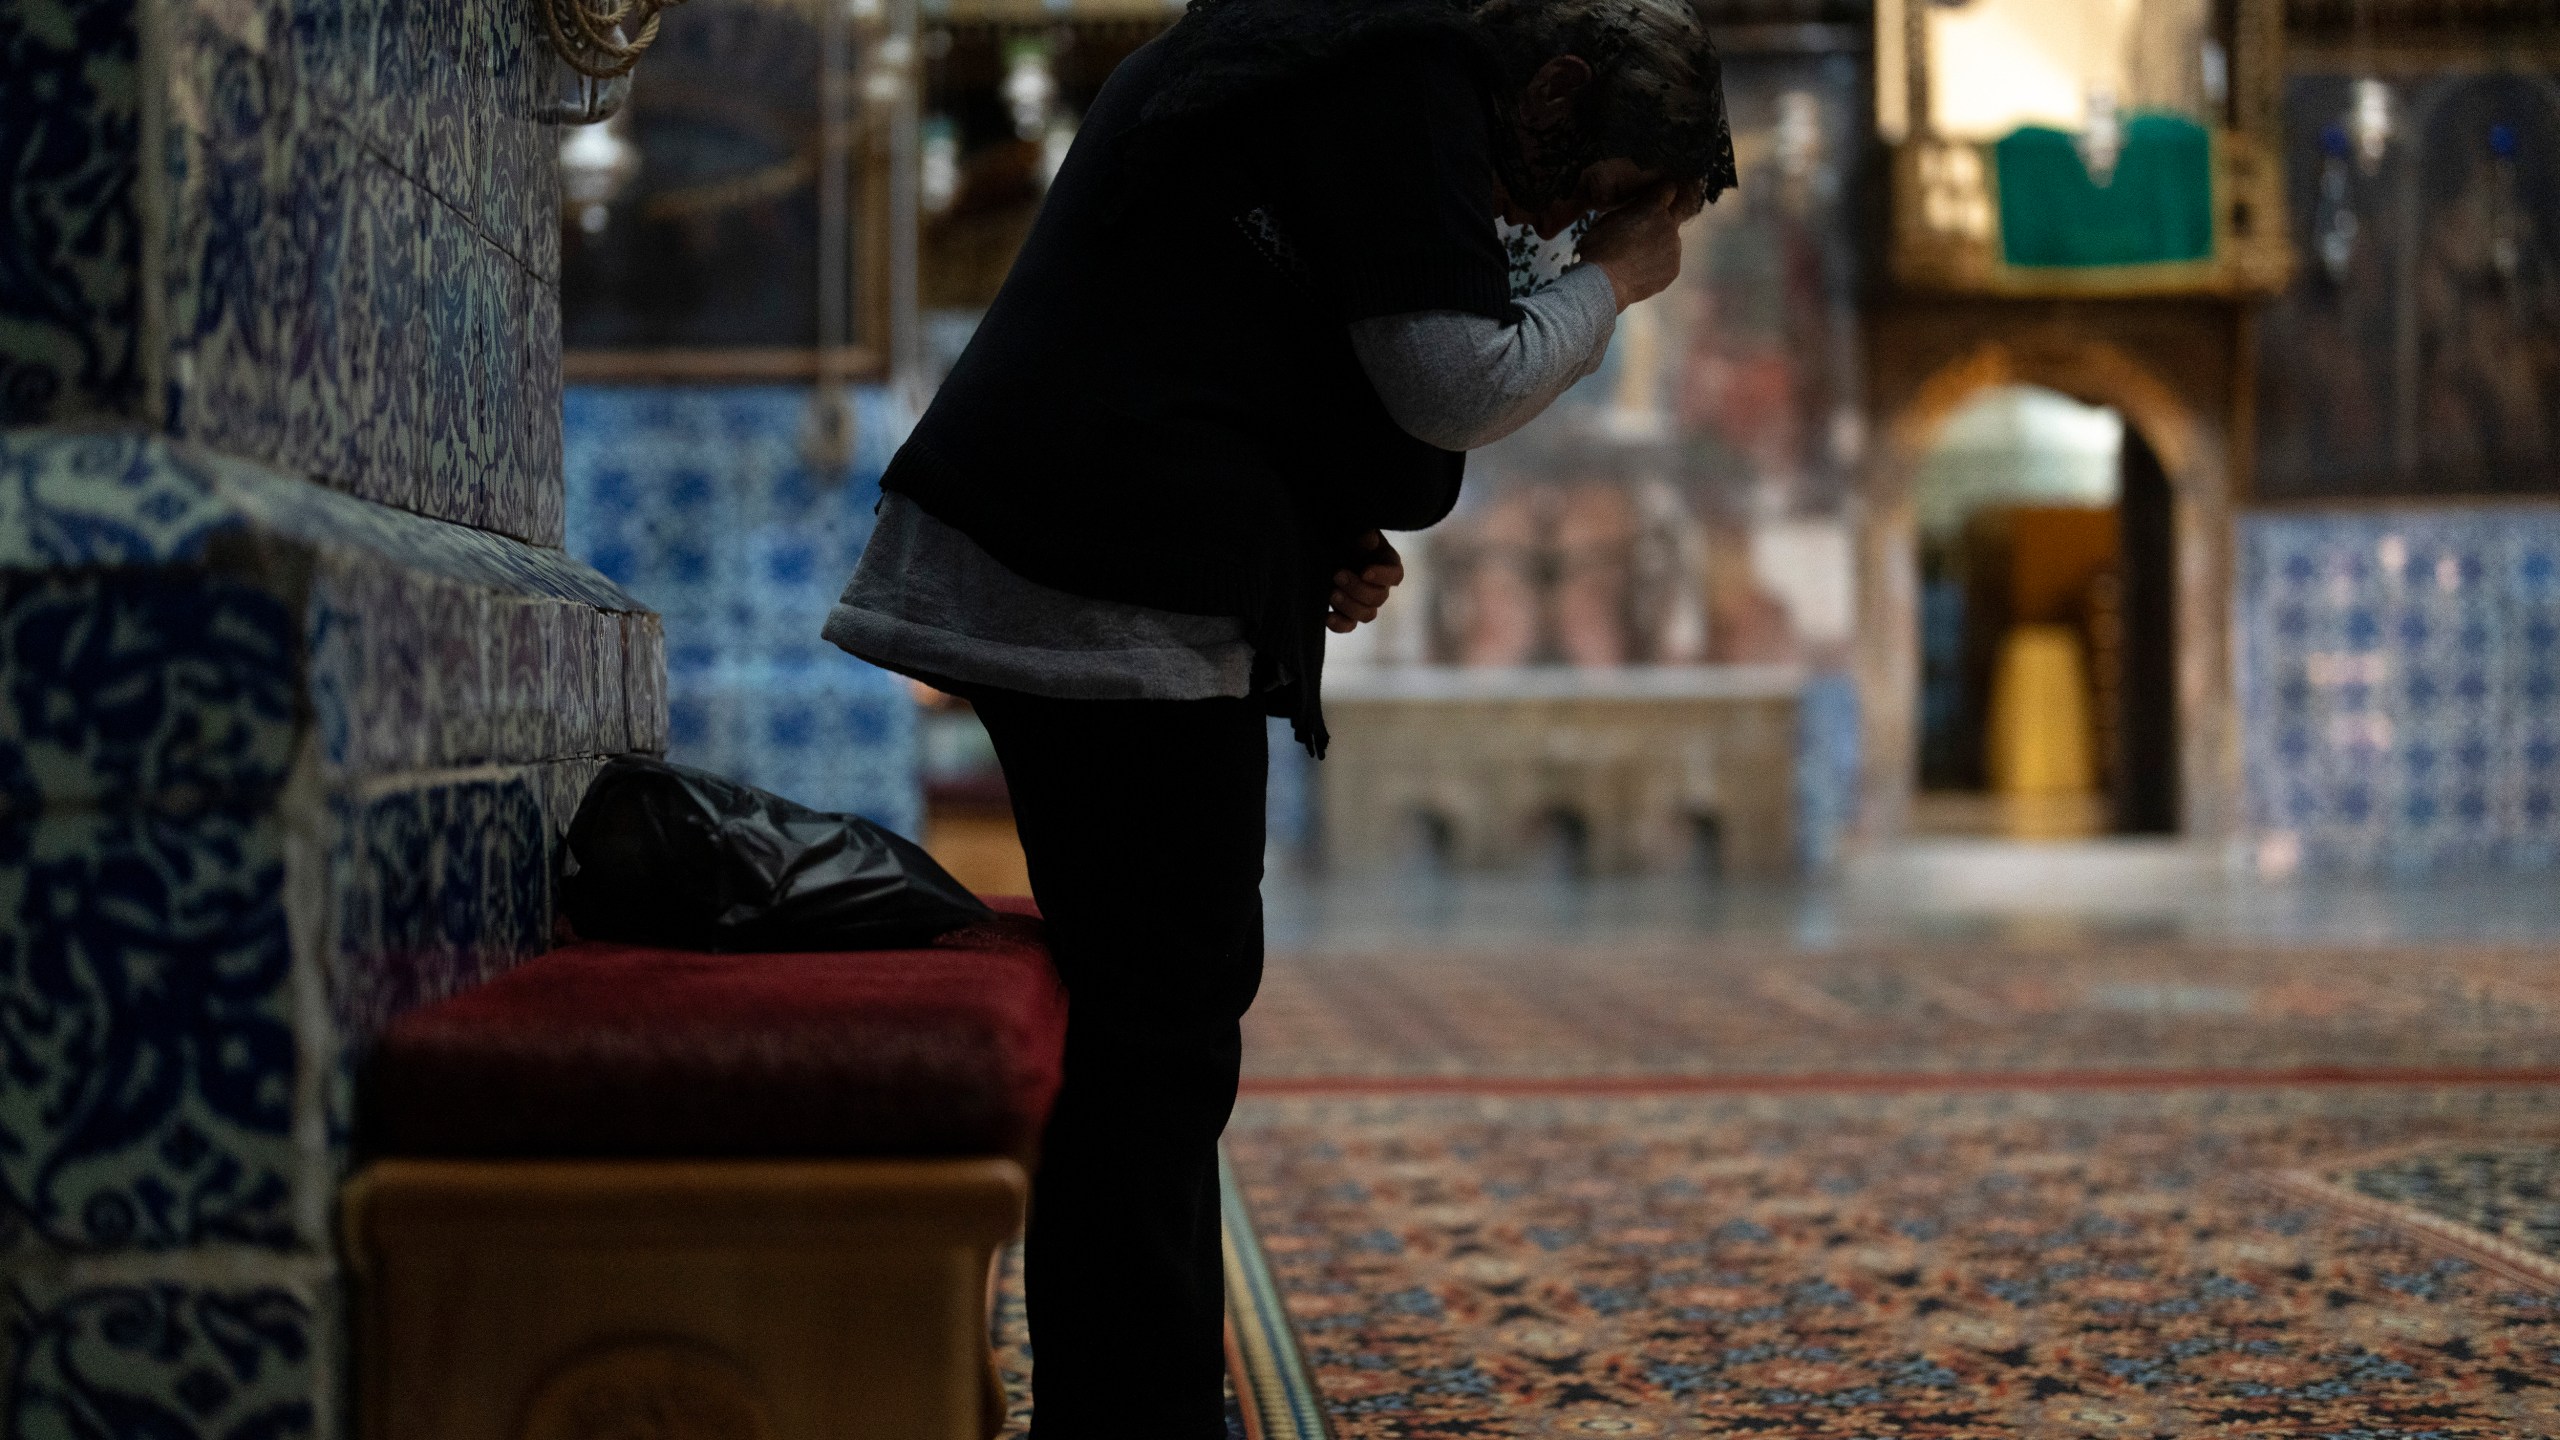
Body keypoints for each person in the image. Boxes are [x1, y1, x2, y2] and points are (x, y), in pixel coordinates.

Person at [823, 0, 1732, 1431]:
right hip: (1086, 576)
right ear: (1559, 92)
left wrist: (1307, 521)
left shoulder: (1345, 61)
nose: (1550, 224)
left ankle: (1144, 1398)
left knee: (1161, 1021)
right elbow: (1449, 380)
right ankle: (1134, 1413)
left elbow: (1236, 331)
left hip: (1077, 558)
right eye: (1593, 195)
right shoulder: (1402, 69)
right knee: (1162, 1034)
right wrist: (1615, 281)